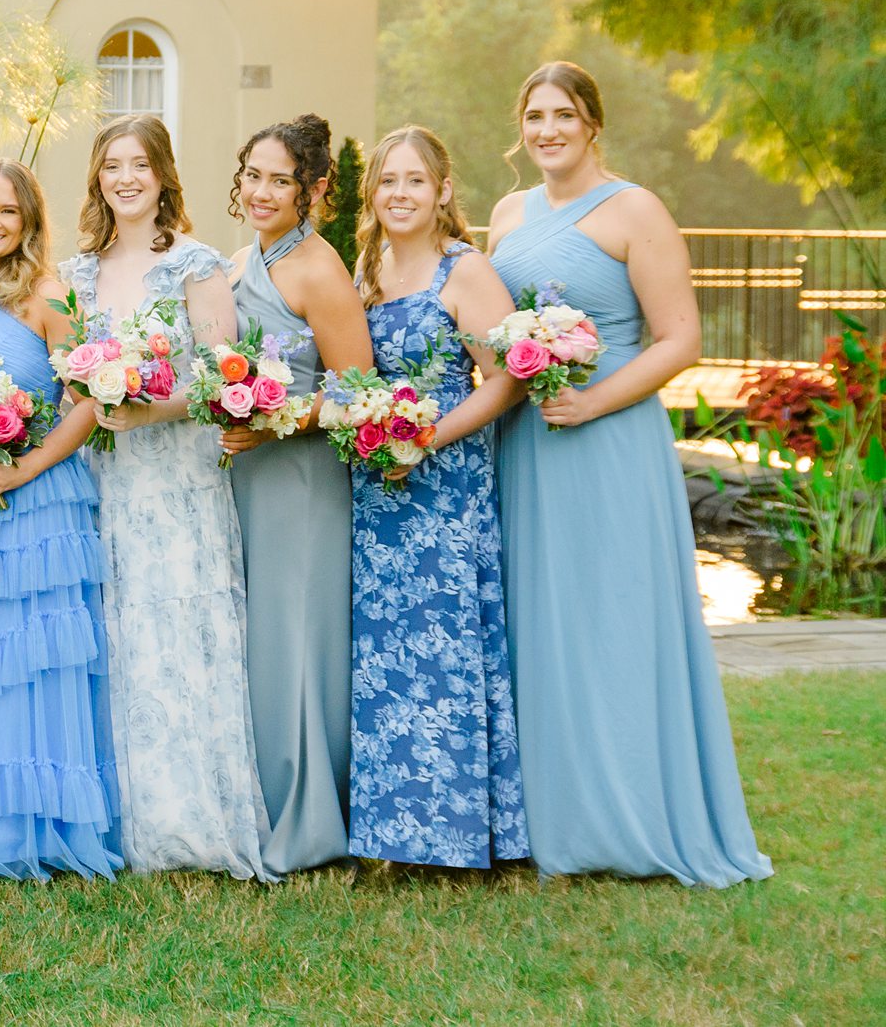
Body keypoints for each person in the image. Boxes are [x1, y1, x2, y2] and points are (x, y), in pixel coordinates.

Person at [486, 62, 770, 886]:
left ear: (593, 125)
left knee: (613, 616)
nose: (547, 130)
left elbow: (680, 339)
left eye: (564, 115)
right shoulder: (507, 213)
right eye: (534, 114)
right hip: (528, 442)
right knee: (540, 618)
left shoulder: (636, 209)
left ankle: (634, 813)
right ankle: (548, 815)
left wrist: (593, 400)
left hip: (607, 442)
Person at [64, 115, 267, 879]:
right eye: (111, 164)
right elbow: (74, 375)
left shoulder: (196, 262)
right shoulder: (78, 269)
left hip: (178, 475)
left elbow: (226, 375)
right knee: (116, 630)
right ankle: (121, 818)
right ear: (97, 177)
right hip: (106, 473)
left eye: (139, 164)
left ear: (162, 174)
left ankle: (192, 822)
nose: (125, 177)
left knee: (178, 627)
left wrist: (153, 403)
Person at [0, 159, 124, 881]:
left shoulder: (48, 293)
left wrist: (26, 465)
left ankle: (38, 827)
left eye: (7, 211)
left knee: (31, 657)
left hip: (37, 495)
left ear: (29, 219)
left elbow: (89, 399)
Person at [348, 126, 528, 870]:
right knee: (383, 653)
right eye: (388, 180)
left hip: (444, 486)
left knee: (446, 647)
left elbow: (507, 380)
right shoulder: (369, 267)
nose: (399, 192)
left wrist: (427, 439)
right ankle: (391, 831)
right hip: (374, 488)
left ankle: (455, 832)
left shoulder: (466, 270)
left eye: (414, 180)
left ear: (443, 190)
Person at [221, 115, 372, 875]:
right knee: (258, 638)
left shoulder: (319, 267)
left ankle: (310, 816)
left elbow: (357, 393)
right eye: (252, 173)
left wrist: (275, 420)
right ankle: (259, 800)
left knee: (298, 639)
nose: (260, 190)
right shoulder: (240, 258)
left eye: (278, 178)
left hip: (302, 478)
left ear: (311, 189)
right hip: (246, 475)